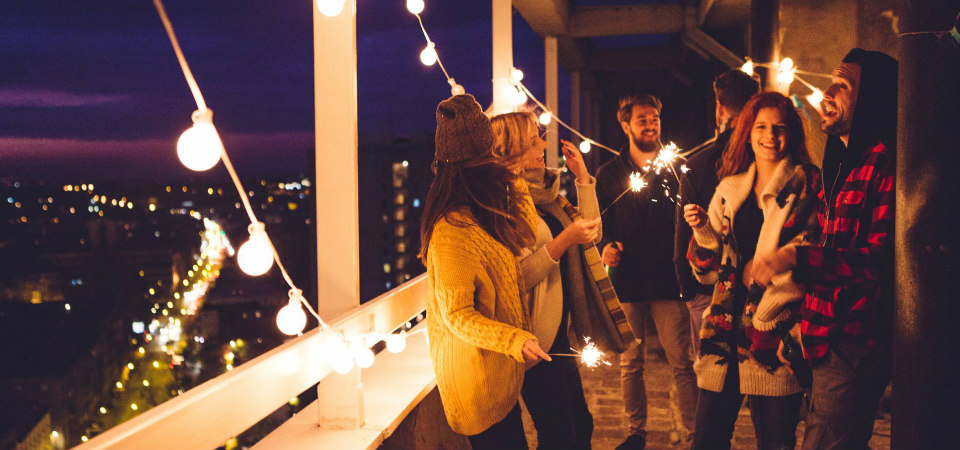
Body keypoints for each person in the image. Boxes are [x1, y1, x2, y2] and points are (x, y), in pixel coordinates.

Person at [749, 48, 897, 450]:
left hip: (854, 341)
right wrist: (799, 332)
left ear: (871, 99)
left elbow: (877, 263)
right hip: (821, 335)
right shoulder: (840, 163)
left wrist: (795, 257)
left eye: (843, 85)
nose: (826, 93)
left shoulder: (884, 164)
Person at [683, 92, 821, 450]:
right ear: (747, 131)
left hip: (773, 335)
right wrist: (702, 231)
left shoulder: (804, 183)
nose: (770, 136)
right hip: (723, 337)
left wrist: (773, 266)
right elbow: (707, 273)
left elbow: (813, 248)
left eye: (779, 127)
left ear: (792, 132)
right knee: (707, 441)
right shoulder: (729, 190)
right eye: (761, 126)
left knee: (775, 442)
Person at [419, 94, 550, 450]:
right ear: (471, 168)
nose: (497, 161)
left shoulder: (481, 210)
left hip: (500, 373)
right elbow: (456, 315)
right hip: (476, 383)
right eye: (489, 156)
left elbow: (524, 232)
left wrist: (514, 179)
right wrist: (514, 340)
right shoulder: (451, 231)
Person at [491, 111, 601, 450]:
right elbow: (515, 279)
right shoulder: (502, 203)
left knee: (580, 426)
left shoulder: (543, 194)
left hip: (558, 332)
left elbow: (591, 234)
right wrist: (563, 240)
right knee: (560, 436)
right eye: (534, 139)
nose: (543, 144)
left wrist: (583, 180)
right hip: (534, 337)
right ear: (512, 149)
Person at [596, 94, 697, 450]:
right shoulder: (608, 175)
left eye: (654, 117)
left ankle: (693, 434)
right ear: (625, 125)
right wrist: (605, 246)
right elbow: (600, 225)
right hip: (628, 283)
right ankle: (636, 432)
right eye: (642, 119)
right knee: (630, 363)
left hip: (671, 280)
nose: (650, 124)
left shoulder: (677, 168)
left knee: (683, 363)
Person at [675, 69, 760, 356]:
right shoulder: (768, 159)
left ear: (719, 107)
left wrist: (690, 294)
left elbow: (682, 235)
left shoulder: (698, 165)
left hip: (709, 290)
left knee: (713, 386)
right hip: (760, 289)